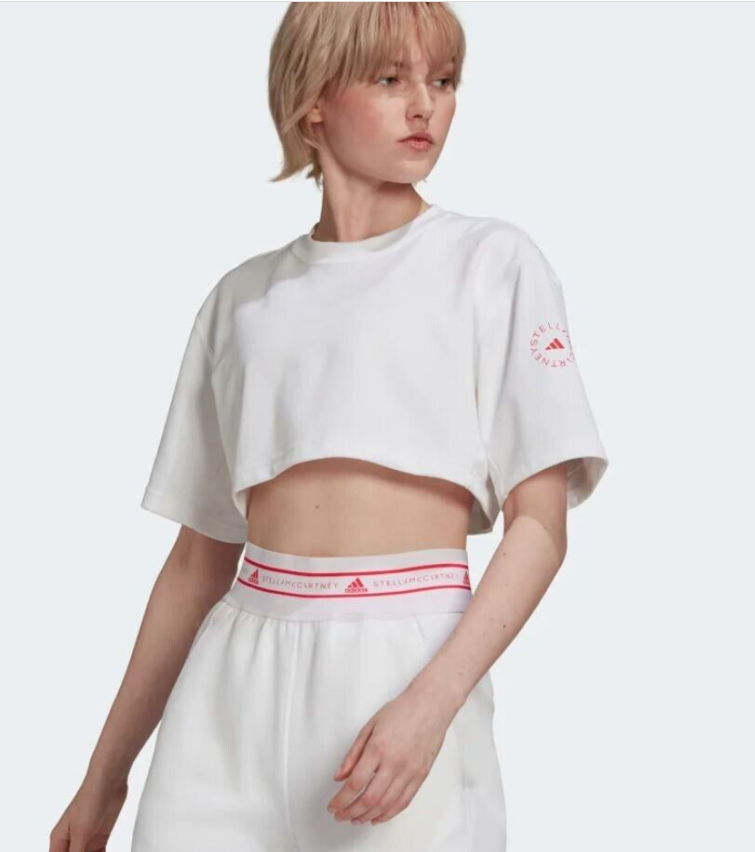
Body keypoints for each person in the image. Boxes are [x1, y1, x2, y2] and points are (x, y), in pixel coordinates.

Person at [48, 3, 609, 851]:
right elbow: (198, 561)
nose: (425, 105)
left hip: (405, 664)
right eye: (390, 79)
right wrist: (104, 780)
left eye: (443, 81)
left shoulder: (492, 265)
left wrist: (431, 706)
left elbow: (540, 527)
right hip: (227, 693)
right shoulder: (241, 302)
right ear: (312, 102)